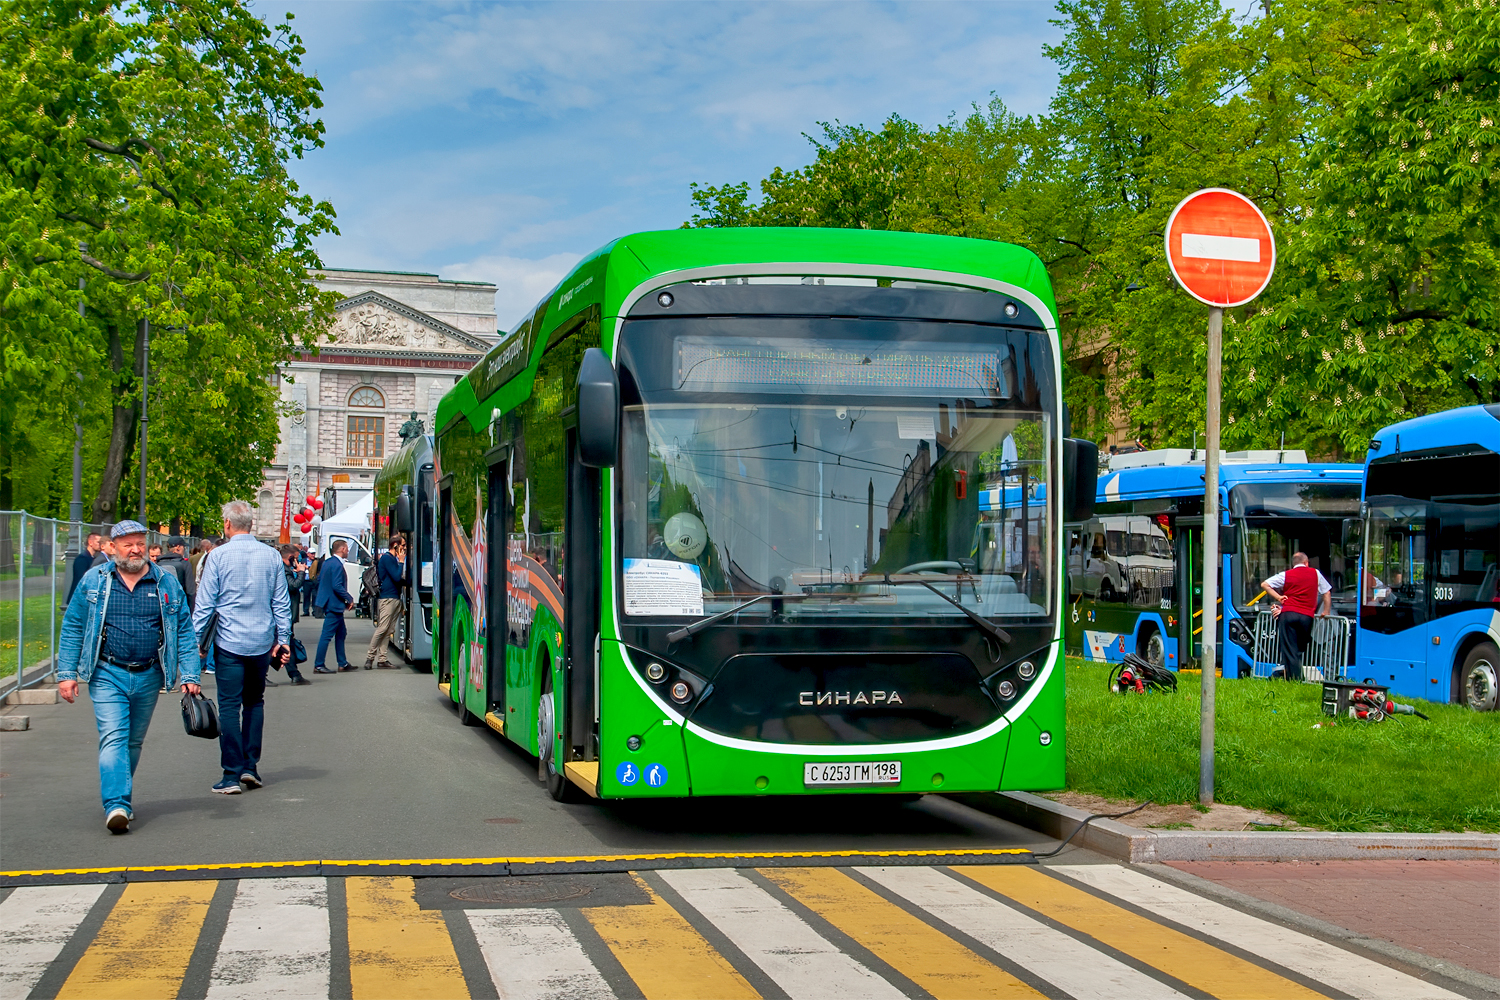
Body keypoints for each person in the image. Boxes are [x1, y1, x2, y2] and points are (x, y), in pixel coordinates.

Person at [55, 521, 201, 833]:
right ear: (113, 547)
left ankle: (121, 797)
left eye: (139, 544)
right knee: (114, 736)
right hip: (107, 672)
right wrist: (66, 674)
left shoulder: (165, 582)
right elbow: (73, 627)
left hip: (148, 673)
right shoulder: (95, 580)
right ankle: (117, 804)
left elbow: (185, 630)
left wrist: (190, 674)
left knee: (133, 741)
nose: (134, 550)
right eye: (127, 544)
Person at [193, 501, 292, 794]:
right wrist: (283, 639)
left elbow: (205, 605)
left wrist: (195, 644)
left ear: (227, 524)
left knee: (229, 707)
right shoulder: (271, 555)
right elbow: (281, 602)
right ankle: (251, 766)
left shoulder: (218, 556)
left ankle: (231, 773)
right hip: (261, 642)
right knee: (254, 703)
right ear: (251, 524)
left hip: (229, 642)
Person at [1261, 552, 1333, 682]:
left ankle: (1294, 679)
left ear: (1293, 564)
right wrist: (1326, 611)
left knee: (1290, 649)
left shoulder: (1286, 574)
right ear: (1306, 563)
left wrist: (1278, 597)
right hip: (1306, 616)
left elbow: (1265, 584)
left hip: (1288, 614)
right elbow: (1326, 592)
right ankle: (1294, 678)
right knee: (1299, 648)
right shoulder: (1315, 573)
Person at [364, 535, 406, 669]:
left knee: (389, 630)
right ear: (395, 546)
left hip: (394, 597)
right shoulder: (388, 559)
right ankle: (370, 657)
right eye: (402, 545)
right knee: (382, 628)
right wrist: (401, 562)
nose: (404, 548)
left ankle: (382, 659)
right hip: (388, 598)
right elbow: (396, 576)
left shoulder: (390, 558)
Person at [313, 538, 354, 674]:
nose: (348, 551)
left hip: (329, 602)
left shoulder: (327, 562)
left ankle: (342, 663)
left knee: (341, 633)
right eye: (347, 548)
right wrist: (348, 598)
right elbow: (337, 585)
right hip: (334, 604)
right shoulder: (337, 565)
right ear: (342, 549)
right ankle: (319, 664)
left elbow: (321, 579)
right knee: (326, 635)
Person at [157, 536, 196, 611]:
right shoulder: (185, 564)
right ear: (178, 547)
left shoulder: (158, 564)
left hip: (161, 606)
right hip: (180, 607)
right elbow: (190, 591)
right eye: (183, 547)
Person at [68, 532, 104, 603]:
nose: (100, 545)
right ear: (90, 542)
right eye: (98, 542)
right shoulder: (82, 558)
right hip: (79, 597)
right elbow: (81, 578)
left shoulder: (92, 558)